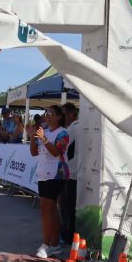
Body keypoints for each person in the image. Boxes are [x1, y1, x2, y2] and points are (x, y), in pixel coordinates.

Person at [30, 105, 69, 258]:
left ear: (59, 117)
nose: (47, 116)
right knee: (51, 209)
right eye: (46, 113)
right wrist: (33, 138)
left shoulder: (63, 133)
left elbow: (56, 152)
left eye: (51, 113)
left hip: (57, 173)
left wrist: (44, 139)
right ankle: (55, 245)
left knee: (46, 209)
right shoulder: (43, 132)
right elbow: (34, 153)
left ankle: (46, 245)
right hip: (43, 173)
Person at [59, 102, 79, 246]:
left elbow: (61, 148)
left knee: (68, 206)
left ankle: (69, 235)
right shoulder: (74, 127)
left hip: (71, 173)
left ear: (71, 114)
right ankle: (70, 233)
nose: (63, 118)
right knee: (70, 206)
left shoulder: (72, 128)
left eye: (64, 115)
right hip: (74, 172)